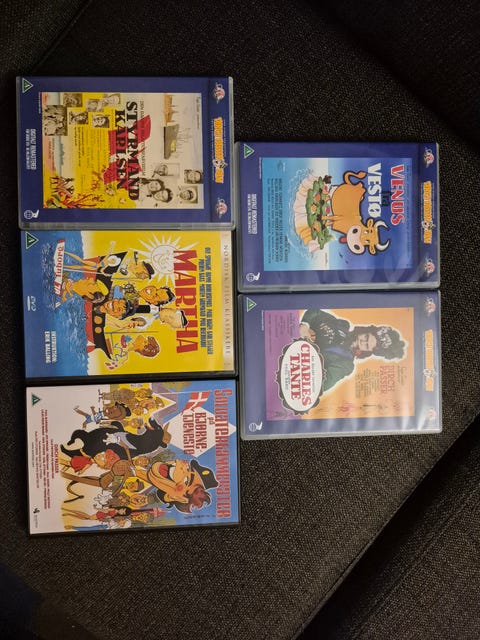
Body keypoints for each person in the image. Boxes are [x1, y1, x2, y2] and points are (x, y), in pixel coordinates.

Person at [299, 309, 406, 391]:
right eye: (366, 337)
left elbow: (321, 385)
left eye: (366, 345)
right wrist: (305, 325)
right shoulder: (342, 325)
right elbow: (315, 312)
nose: (362, 342)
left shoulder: (346, 364)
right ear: (364, 331)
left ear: (368, 351)